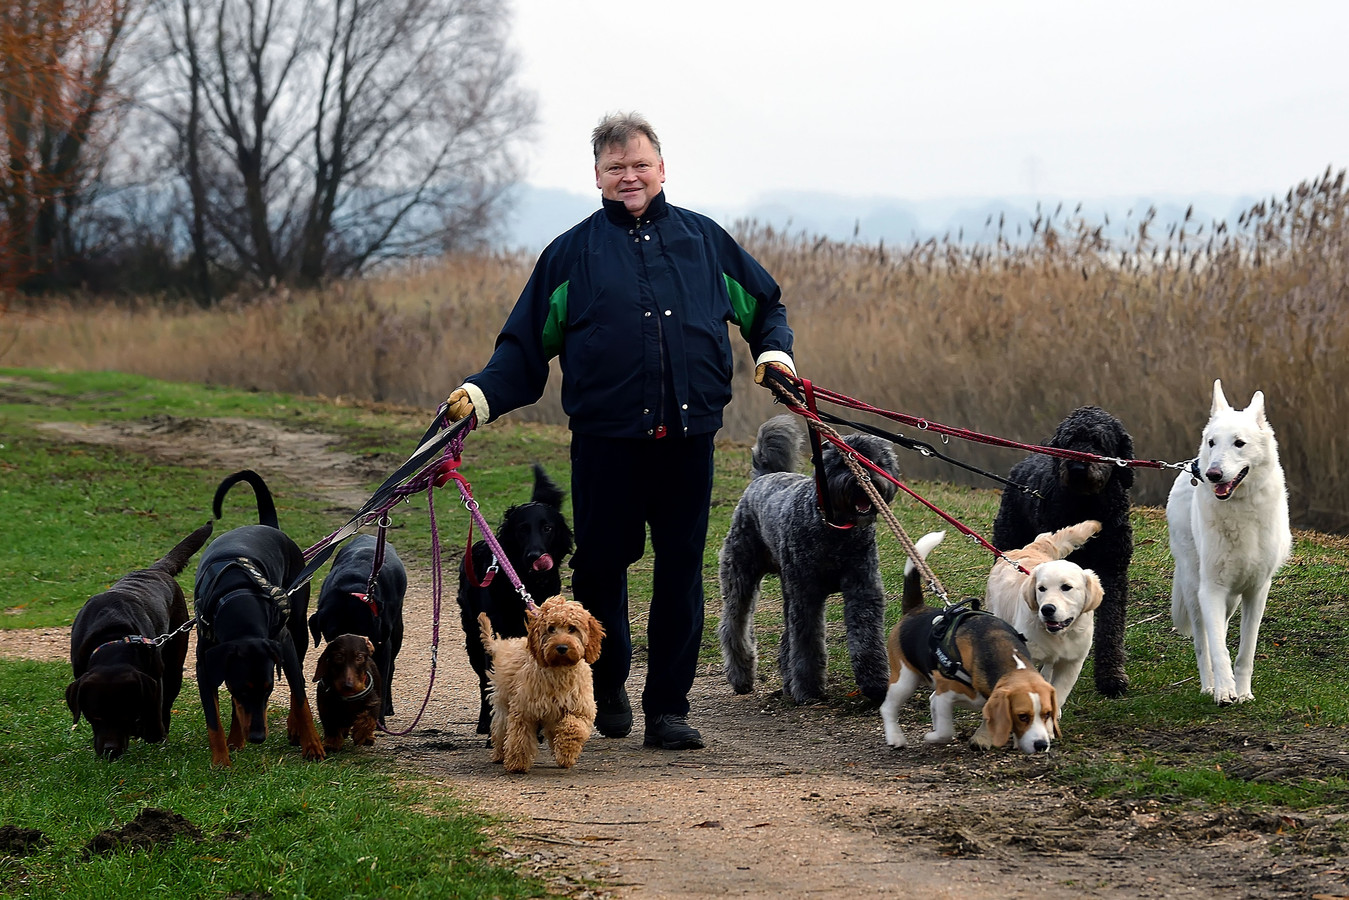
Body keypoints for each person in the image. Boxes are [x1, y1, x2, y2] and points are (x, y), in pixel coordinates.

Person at [444, 112, 795, 750]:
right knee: (603, 567)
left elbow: (766, 306)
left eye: (639, 165)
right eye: (615, 168)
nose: (628, 177)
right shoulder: (570, 254)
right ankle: (604, 692)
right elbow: (524, 348)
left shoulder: (706, 242)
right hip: (606, 444)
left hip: (689, 442)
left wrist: (774, 354)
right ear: (598, 178)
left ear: (662, 169)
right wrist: (479, 393)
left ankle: (667, 708)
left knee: (681, 570)